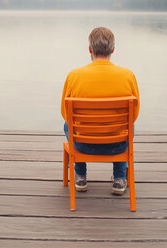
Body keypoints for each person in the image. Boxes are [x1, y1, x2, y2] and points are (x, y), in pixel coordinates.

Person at [60, 27, 140, 195]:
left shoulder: (74, 76)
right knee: (128, 125)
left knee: (68, 124)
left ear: (90, 49)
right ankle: (119, 179)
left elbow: (64, 113)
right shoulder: (128, 76)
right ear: (113, 50)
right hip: (117, 146)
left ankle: (80, 176)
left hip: (83, 145)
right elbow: (134, 114)